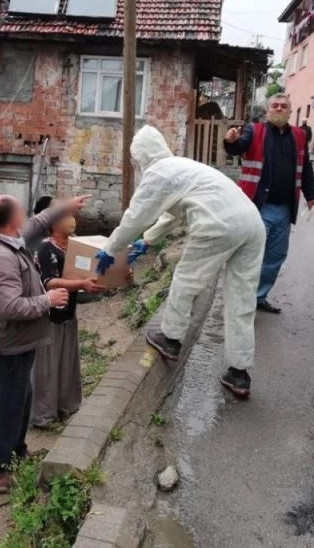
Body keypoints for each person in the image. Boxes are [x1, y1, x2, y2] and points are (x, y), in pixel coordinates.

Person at [96, 126, 265, 398]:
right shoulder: (181, 166)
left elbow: (135, 217)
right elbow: (172, 213)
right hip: (252, 224)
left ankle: (171, 339)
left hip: (219, 224)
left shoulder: (158, 173)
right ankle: (239, 372)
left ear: (140, 156)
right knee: (242, 299)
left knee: (186, 281)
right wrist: (148, 240)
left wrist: (110, 248)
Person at [0, 193, 89, 493]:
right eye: (21, 211)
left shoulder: (8, 238)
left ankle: (17, 452)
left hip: (19, 346)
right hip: (6, 350)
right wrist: (47, 300)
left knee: (21, 403)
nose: (27, 215)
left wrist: (64, 207)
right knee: (4, 413)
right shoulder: (0, 257)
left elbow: (39, 221)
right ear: (12, 219)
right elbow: (10, 307)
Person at [223, 94, 314, 314]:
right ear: (267, 111)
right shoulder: (254, 130)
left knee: (275, 257)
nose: (279, 108)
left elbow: (305, 168)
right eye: (274, 106)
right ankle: (242, 298)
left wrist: (311, 194)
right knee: (252, 255)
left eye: (283, 106)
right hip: (257, 206)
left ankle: (258, 297)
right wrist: (231, 141)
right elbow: (237, 147)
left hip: (284, 209)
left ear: (290, 111)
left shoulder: (299, 136)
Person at [31, 206, 106, 428]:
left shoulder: (76, 245)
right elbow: (49, 282)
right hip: (49, 315)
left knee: (66, 361)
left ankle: (66, 405)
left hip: (68, 313)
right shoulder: (45, 249)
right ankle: (43, 415)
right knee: (47, 366)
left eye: (72, 215)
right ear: (53, 224)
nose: (72, 220)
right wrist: (81, 284)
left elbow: (93, 269)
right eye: (65, 216)